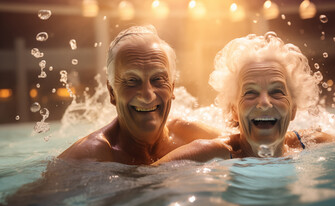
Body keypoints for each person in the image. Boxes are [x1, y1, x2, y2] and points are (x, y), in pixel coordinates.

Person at [154, 32, 335, 164]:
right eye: (250, 92)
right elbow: (142, 180)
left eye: (276, 92)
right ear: (233, 108)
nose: (264, 102)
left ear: (294, 108)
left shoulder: (308, 142)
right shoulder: (207, 152)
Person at [58, 25, 219, 165]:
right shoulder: (87, 157)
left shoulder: (192, 135)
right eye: (132, 81)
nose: (147, 95)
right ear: (112, 92)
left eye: (157, 79)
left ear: (172, 89)